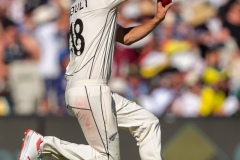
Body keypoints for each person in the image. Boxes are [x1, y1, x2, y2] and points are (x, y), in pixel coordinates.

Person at [19, 0, 173, 159]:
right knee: (106, 157)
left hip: (82, 88)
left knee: (147, 123)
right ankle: (43, 144)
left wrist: (156, 20)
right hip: (92, 89)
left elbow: (127, 38)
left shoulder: (82, 7)